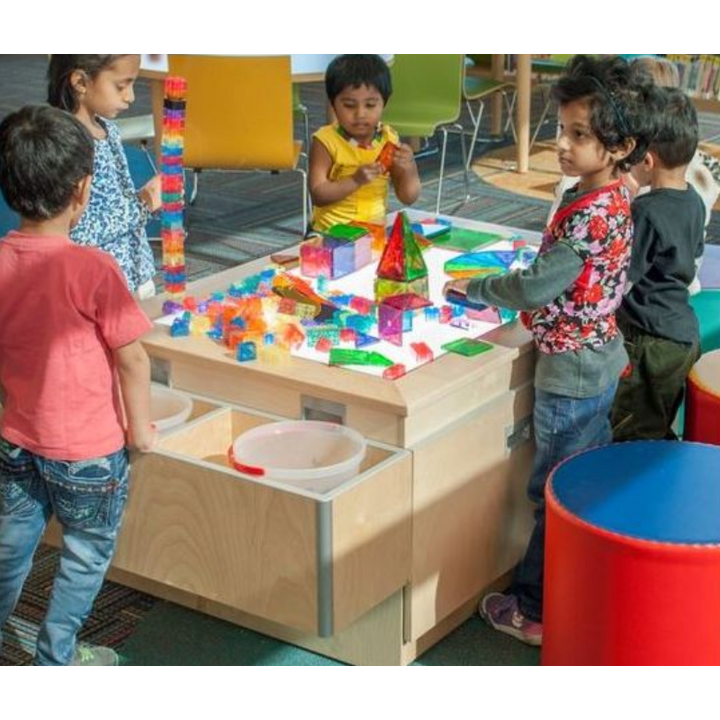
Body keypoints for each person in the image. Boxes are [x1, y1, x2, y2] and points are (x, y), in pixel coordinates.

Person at [444, 56, 656, 645]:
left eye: (578, 135)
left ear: (621, 147)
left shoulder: (590, 213)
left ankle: (533, 609)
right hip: (600, 354)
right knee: (582, 478)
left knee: (553, 494)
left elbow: (536, 287)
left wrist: (476, 288)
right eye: (561, 128)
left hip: (572, 371)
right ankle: (583, 582)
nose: (561, 143)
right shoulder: (613, 192)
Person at [0, 105, 154, 669]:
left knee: (10, 547)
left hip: (17, 438)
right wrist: (141, 431)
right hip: (90, 453)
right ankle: (56, 658)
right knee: (85, 555)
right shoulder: (93, 269)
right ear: (82, 189)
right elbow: (132, 359)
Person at [611, 88, 705, 441]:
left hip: (649, 341)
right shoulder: (694, 201)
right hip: (683, 335)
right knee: (659, 421)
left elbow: (621, 280)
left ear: (646, 161)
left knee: (631, 428)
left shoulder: (646, 211)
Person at [48, 51, 161, 298]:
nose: (131, 97)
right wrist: (143, 204)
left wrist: (154, 198)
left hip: (136, 271)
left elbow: (113, 203)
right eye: (121, 86)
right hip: (102, 287)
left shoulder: (107, 129)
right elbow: (77, 233)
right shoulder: (66, 144)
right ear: (80, 82)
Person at [309, 52, 421, 233]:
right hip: (330, 234)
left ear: (384, 103)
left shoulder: (388, 139)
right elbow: (318, 194)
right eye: (349, 105)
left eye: (370, 105)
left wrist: (410, 168)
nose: (360, 114)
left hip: (373, 234)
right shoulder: (326, 141)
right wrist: (355, 180)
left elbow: (408, 197)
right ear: (333, 104)